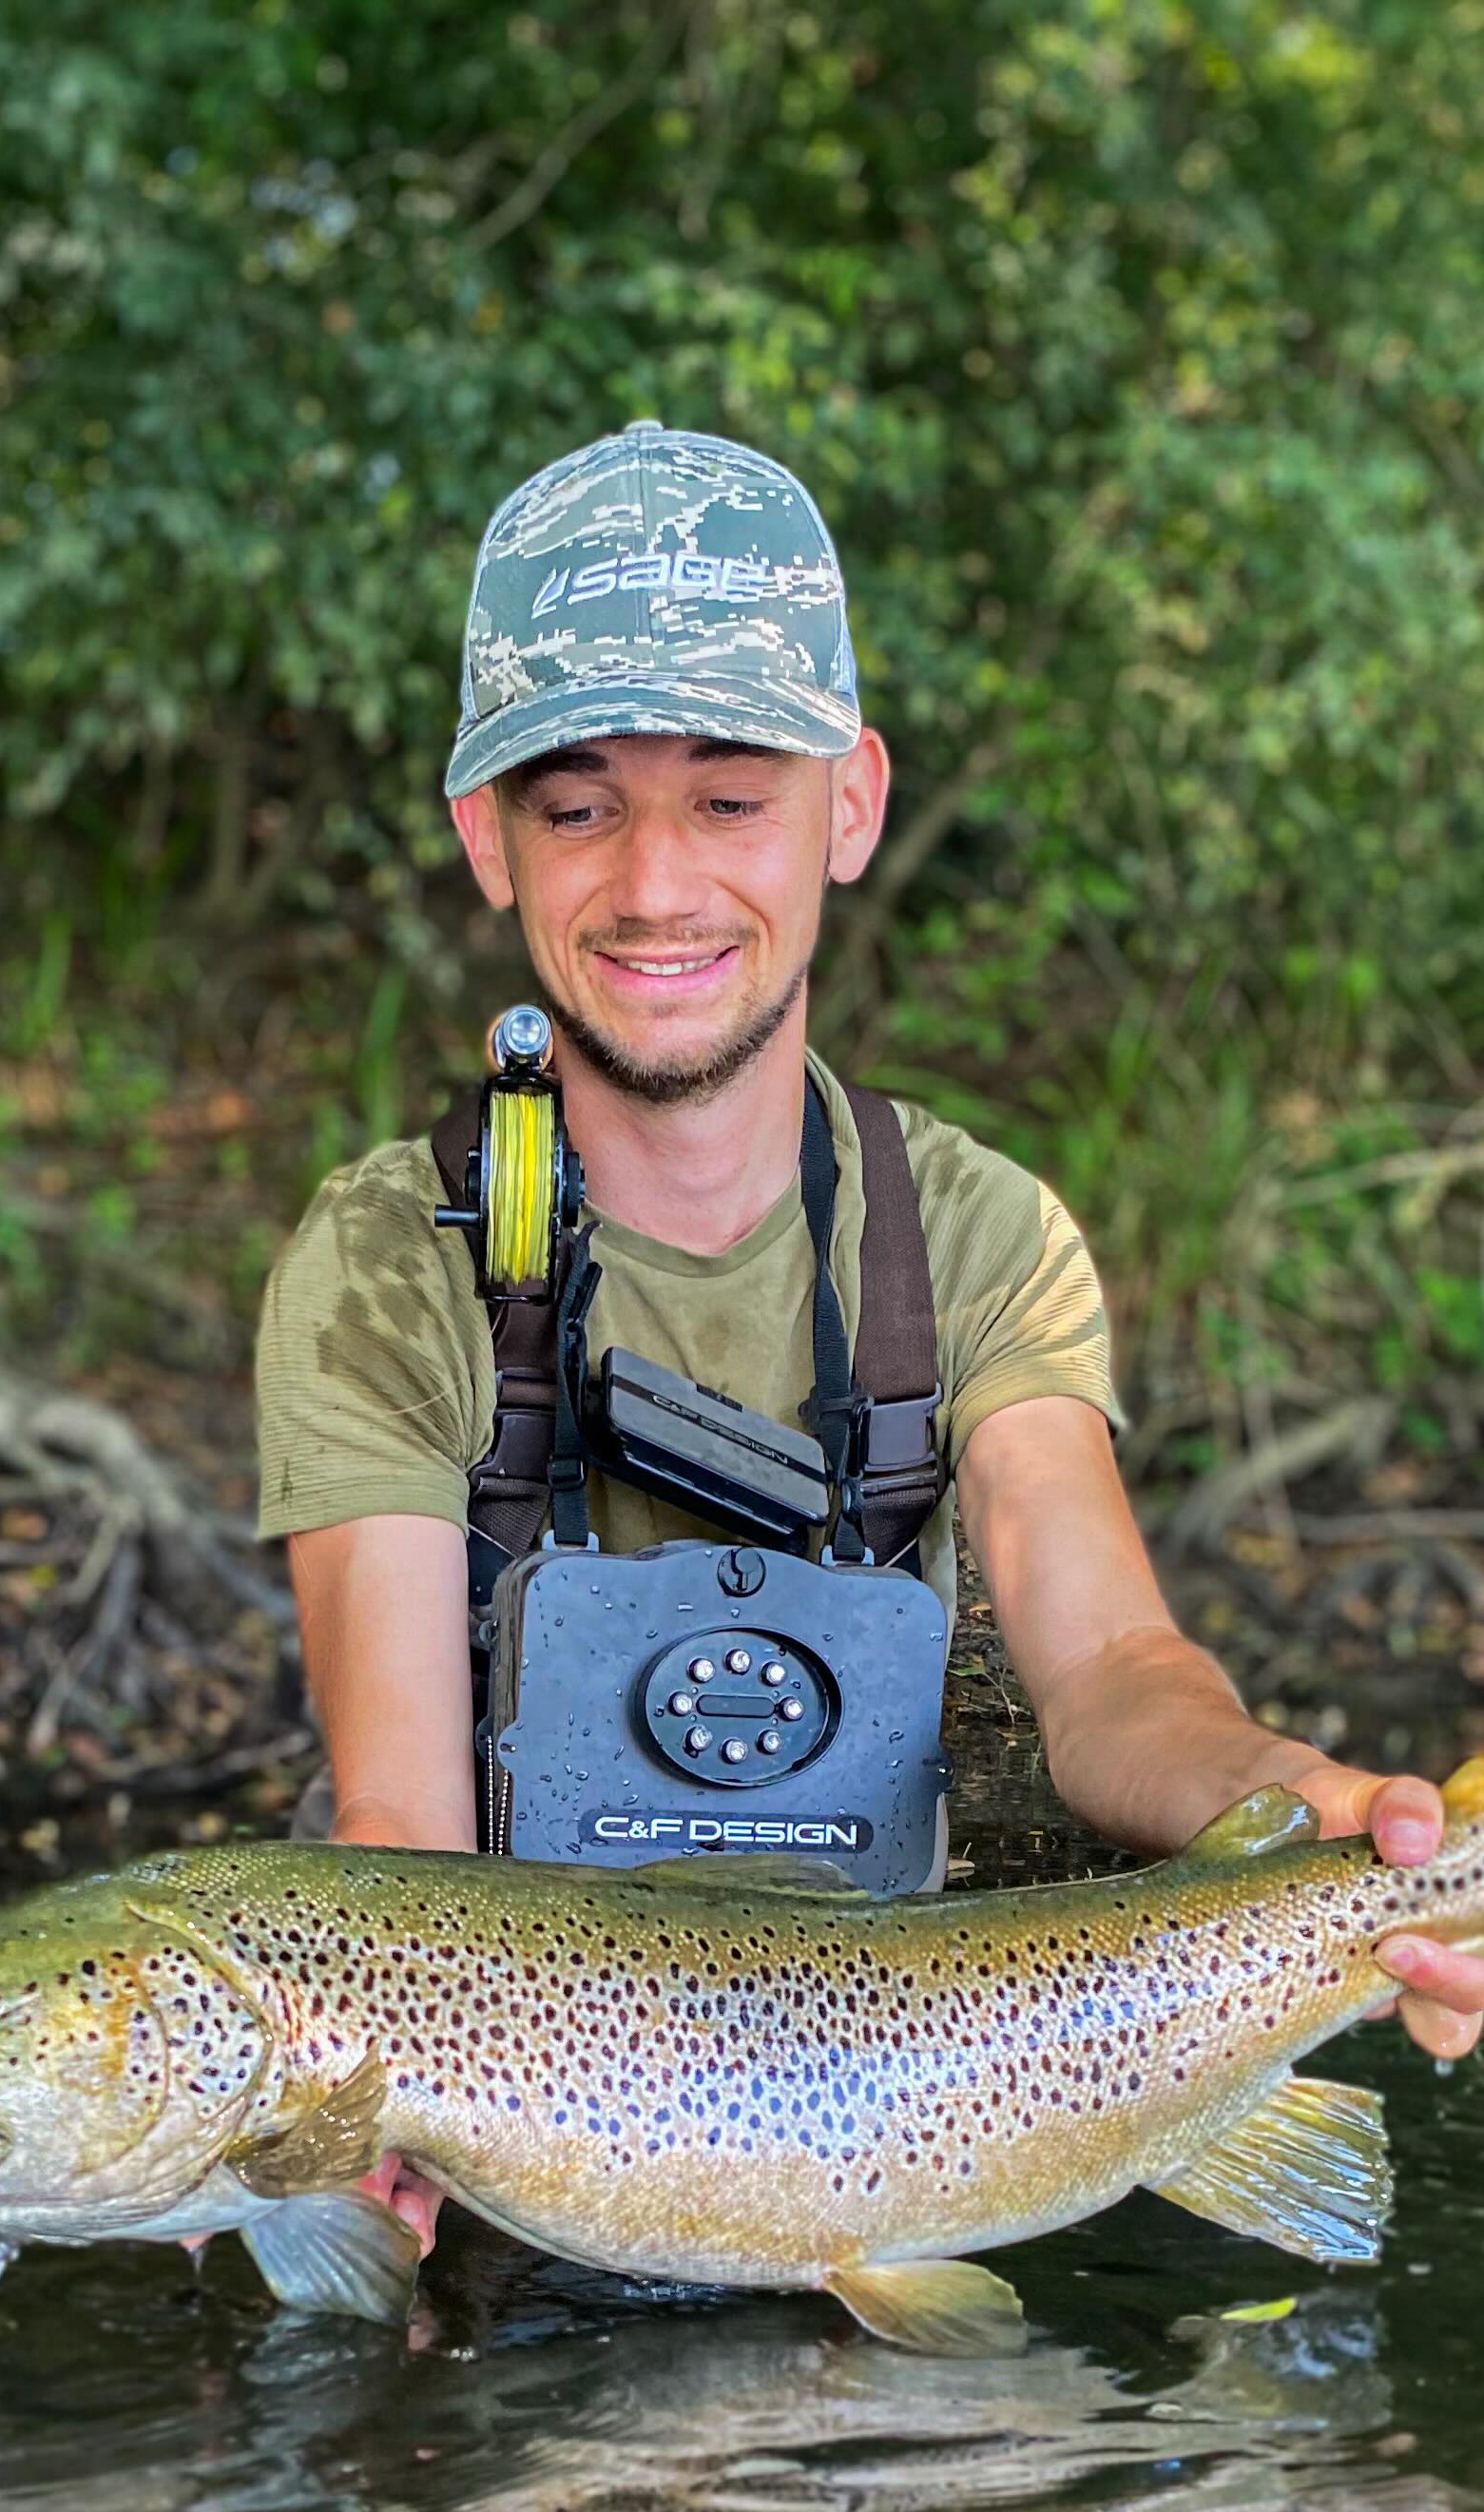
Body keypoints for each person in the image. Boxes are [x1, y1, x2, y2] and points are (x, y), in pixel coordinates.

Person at [256, 423, 1481, 2254]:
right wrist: (327, 2128)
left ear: (852, 806)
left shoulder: (976, 1231)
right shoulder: (381, 1255)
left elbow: (1113, 1680)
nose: (658, 885)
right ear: (483, 841)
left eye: (731, 798)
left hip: (949, 2063)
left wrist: (1307, 1816)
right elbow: (401, 1841)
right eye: (579, 803)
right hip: (557, 2121)